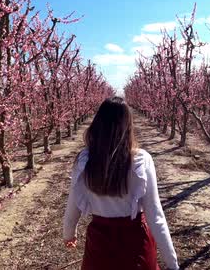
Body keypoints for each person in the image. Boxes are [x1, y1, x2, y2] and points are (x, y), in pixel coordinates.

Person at [62, 96, 179, 270]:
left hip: (100, 245)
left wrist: (69, 233)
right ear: (128, 125)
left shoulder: (85, 160)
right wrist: (172, 263)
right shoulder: (140, 160)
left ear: (98, 124)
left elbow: (73, 204)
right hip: (136, 244)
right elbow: (155, 214)